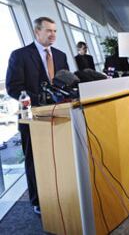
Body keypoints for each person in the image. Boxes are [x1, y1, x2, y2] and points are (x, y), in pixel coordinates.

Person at [6, 17, 69, 215]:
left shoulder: (60, 55)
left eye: (55, 31)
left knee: (59, 158)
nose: (53, 35)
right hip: (32, 119)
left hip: (59, 117)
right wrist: (40, 100)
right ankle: (38, 201)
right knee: (35, 162)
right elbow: (13, 88)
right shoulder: (20, 55)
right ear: (37, 32)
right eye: (49, 31)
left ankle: (62, 193)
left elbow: (65, 84)